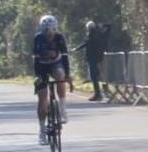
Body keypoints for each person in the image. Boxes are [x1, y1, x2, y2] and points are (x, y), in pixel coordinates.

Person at [33, 14, 71, 144]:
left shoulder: (60, 38)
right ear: (42, 30)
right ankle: (42, 131)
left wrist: (68, 75)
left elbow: (65, 57)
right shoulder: (38, 38)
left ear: (55, 29)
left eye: (51, 30)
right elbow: (36, 59)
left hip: (56, 64)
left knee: (60, 75)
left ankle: (62, 109)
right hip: (42, 66)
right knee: (42, 97)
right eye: (46, 31)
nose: (49, 33)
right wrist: (38, 77)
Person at [73, 20, 112, 101]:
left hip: (92, 59)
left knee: (94, 77)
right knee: (104, 76)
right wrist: (102, 24)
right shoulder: (102, 34)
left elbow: (85, 43)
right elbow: (110, 26)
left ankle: (97, 94)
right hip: (103, 58)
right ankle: (106, 91)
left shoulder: (90, 35)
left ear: (88, 29)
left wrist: (76, 49)